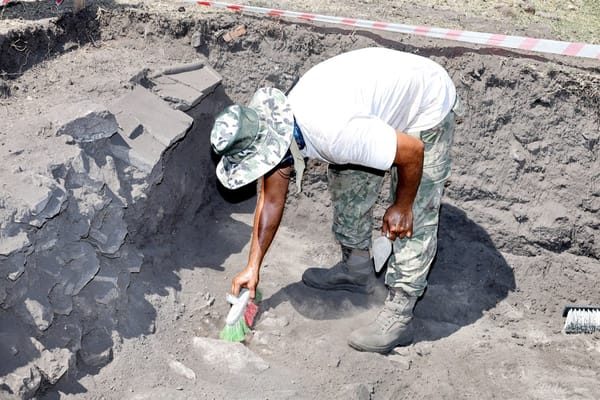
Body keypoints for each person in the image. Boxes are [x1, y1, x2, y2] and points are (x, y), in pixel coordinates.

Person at [210, 47, 460, 353]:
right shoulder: (279, 127)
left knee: (412, 214)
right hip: (371, 109)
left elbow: (412, 153)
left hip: (426, 103)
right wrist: (253, 267)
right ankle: (356, 270)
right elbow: (271, 200)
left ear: (274, 148)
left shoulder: (336, 134)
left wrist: (401, 205)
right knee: (347, 179)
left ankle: (400, 312)